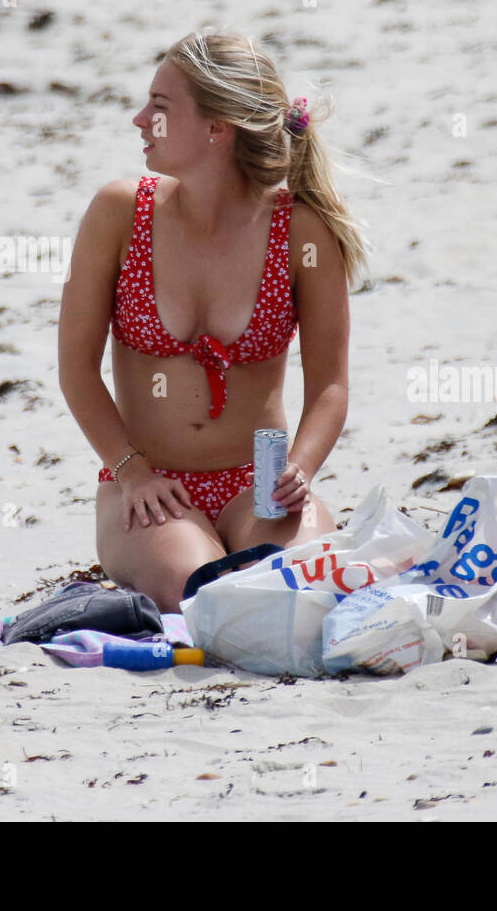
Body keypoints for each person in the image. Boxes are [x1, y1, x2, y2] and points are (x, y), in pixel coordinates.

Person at [58, 30, 365, 612]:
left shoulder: (301, 230)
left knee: (299, 587)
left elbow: (330, 384)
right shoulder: (119, 213)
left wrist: (298, 469)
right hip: (148, 486)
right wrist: (133, 474)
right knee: (205, 596)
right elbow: (76, 368)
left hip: (259, 483)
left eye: (161, 106)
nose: (139, 118)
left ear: (216, 129)